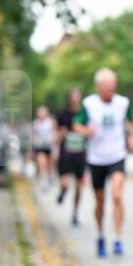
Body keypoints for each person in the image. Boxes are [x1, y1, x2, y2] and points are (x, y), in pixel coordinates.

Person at [72, 68, 133, 258]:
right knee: (100, 202)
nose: (110, 88)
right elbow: (76, 124)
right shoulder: (89, 104)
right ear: (98, 86)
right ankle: (101, 235)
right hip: (96, 158)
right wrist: (86, 131)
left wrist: (132, 137)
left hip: (117, 155)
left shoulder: (123, 103)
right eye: (106, 85)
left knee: (117, 195)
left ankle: (117, 238)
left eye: (112, 84)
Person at [56, 88, 88, 226]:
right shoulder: (63, 115)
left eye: (77, 97)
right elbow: (56, 134)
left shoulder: (85, 114)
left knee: (79, 188)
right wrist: (61, 134)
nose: (75, 100)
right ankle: (62, 192)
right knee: (65, 184)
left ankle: (75, 214)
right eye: (73, 97)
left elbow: (91, 131)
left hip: (80, 154)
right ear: (69, 98)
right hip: (66, 153)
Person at [32, 105, 56, 191]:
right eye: (39, 112)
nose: (41, 114)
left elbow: (55, 132)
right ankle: (44, 179)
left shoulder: (50, 122)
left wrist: (52, 139)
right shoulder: (35, 123)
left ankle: (50, 175)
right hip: (39, 146)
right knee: (41, 162)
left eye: (42, 112)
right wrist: (33, 141)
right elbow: (33, 134)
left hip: (49, 146)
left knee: (49, 164)